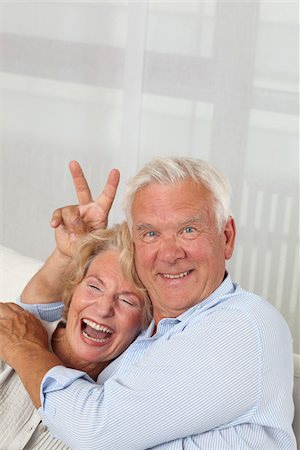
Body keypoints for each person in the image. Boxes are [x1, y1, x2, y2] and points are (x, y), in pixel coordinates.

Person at [0, 156, 296, 449]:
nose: (169, 254)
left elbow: (93, 430)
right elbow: (34, 317)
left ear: (227, 237)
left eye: (188, 230)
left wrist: (25, 349)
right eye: (151, 233)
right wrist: (70, 254)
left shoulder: (244, 323)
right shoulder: (144, 332)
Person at [0, 222, 150, 449]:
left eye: (128, 301)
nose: (103, 309)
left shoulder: (119, 409)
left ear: (144, 324)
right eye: (94, 287)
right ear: (73, 291)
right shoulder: (11, 329)